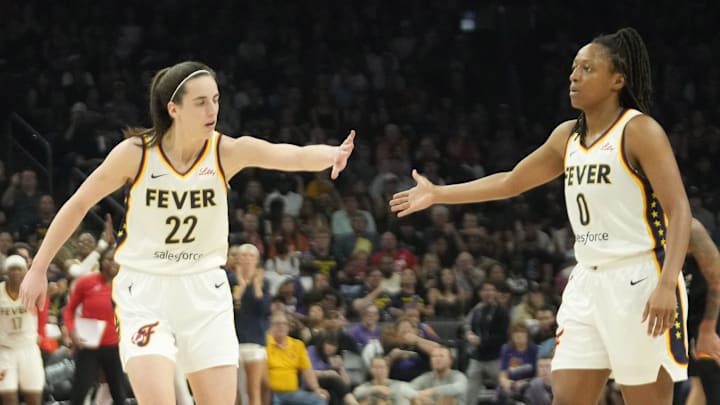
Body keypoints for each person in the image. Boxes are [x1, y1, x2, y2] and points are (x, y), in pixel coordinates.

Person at [19, 61, 355, 405]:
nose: (213, 110)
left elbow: (287, 155)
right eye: (201, 102)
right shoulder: (136, 154)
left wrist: (332, 154)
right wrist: (39, 267)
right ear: (173, 108)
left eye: (216, 99)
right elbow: (77, 205)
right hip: (146, 290)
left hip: (205, 290)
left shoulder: (224, 151)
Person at [390, 27, 692, 405]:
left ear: (618, 79)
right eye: (573, 68)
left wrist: (666, 285)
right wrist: (438, 194)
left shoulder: (640, 130)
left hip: (640, 278)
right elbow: (512, 182)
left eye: (586, 68)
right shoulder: (566, 136)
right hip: (587, 281)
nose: (574, 76)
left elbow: (678, 210)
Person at [63, 247, 127, 405]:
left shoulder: (126, 284)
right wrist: (72, 332)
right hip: (89, 342)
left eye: (116, 259)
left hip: (115, 345)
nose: (112, 263)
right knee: (80, 391)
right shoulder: (87, 281)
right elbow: (69, 310)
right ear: (101, 261)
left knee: (119, 393)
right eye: (109, 259)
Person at [682, 218, 720, 405]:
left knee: (712, 382)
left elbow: (717, 280)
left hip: (709, 319)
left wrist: (708, 329)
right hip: (687, 322)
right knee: (698, 383)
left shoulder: (689, 227)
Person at [0, 255, 46, 405]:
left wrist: (41, 333)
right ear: (4, 272)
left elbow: (43, 312)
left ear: (25, 272)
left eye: (18, 269)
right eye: (11, 269)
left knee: (34, 397)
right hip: (4, 351)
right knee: (8, 398)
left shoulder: (32, 290)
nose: (14, 273)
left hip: (29, 348)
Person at [231, 243, 271, 405]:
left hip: (255, 341)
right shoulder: (229, 280)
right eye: (244, 256)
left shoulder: (263, 282)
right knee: (234, 390)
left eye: (251, 256)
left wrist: (256, 286)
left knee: (254, 389)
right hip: (233, 341)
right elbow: (228, 311)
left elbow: (263, 310)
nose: (247, 259)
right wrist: (240, 288)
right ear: (237, 260)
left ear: (257, 260)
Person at [266, 311, 329, 405]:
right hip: (271, 393)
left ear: (288, 327)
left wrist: (316, 388)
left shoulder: (298, 345)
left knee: (319, 400)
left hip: (293, 393)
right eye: (277, 324)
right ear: (270, 327)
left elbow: (307, 370)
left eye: (284, 324)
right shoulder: (264, 344)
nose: (281, 326)